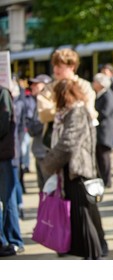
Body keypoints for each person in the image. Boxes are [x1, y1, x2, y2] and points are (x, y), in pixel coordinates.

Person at [41, 79, 108, 260]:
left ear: (62, 95)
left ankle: (93, 256)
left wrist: (48, 163)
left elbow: (68, 143)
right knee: (79, 218)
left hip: (78, 171)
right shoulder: (67, 113)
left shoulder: (76, 111)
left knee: (83, 216)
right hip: (70, 171)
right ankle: (88, 255)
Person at [37, 48, 99, 141]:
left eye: (59, 66)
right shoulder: (49, 88)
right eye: (54, 66)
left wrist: (58, 109)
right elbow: (43, 113)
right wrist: (72, 109)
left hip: (80, 139)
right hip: (55, 140)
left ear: (72, 66)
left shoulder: (84, 86)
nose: (55, 69)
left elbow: (89, 111)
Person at [0, 85, 24, 257]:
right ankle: (2, 241)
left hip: (4, 156)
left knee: (8, 199)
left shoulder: (2, 93)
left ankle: (14, 241)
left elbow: (5, 123)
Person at [25, 74, 52, 192]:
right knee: (43, 189)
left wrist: (33, 125)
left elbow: (35, 126)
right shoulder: (37, 101)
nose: (32, 86)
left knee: (49, 189)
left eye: (36, 84)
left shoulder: (48, 102)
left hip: (46, 152)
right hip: (39, 151)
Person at [93, 73, 113, 189]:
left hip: (105, 131)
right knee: (100, 157)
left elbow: (105, 112)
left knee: (104, 157)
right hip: (100, 131)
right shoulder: (100, 95)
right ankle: (102, 179)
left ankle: (107, 180)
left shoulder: (108, 95)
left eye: (95, 81)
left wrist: (93, 115)